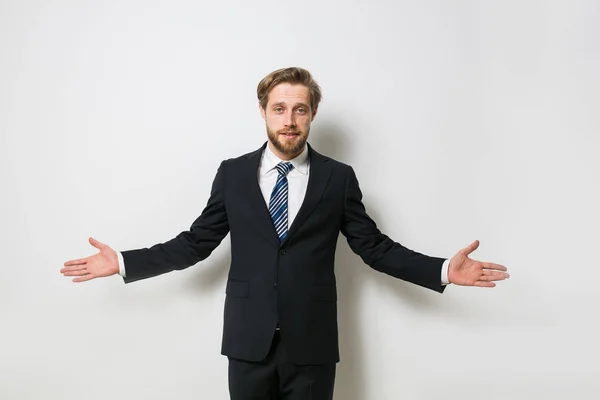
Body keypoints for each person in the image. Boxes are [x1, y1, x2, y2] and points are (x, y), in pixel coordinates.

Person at [61, 67, 509, 400]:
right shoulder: (233, 174)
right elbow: (196, 242)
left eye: (300, 109)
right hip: (248, 339)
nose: (289, 119)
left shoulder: (337, 178)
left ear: (312, 113)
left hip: (311, 342)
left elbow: (374, 248)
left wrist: (444, 271)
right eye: (279, 108)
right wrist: (123, 261)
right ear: (263, 112)